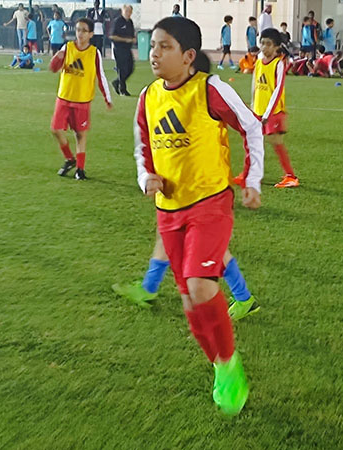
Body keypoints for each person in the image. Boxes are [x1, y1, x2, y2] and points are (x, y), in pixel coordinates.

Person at [133, 16, 264, 416]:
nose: (155, 53)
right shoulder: (148, 97)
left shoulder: (210, 89)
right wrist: (146, 177)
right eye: (154, 45)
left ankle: (229, 364)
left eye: (165, 46)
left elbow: (251, 126)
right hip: (168, 210)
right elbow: (142, 147)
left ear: (188, 56)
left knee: (200, 285)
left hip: (210, 202)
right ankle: (220, 365)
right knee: (189, 301)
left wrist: (252, 179)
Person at [112, 237, 260, 320]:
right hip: (195, 199)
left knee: (214, 249)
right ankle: (148, 288)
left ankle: (244, 299)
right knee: (167, 239)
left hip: (200, 200)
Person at [48, 18, 113, 180]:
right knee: (55, 129)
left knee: (80, 135)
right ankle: (70, 158)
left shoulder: (94, 53)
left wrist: (107, 98)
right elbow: (53, 68)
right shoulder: (67, 47)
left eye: (84, 30)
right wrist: (57, 58)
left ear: (91, 34)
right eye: (78, 30)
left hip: (82, 100)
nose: (80, 33)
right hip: (64, 97)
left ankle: (80, 169)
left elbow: (101, 76)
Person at [242, 28, 298, 188]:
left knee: (276, 142)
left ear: (276, 47)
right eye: (262, 43)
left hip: (273, 112)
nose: (264, 47)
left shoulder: (278, 64)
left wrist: (267, 113)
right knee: (252, 142)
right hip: (258, 111)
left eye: (268, 44)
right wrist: (253, 107)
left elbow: (278, 90)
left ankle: (291, 176)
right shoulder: (259, 62)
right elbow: (255, 86)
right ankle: (250, 174)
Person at [110, 5, 136, 96]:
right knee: (122, 69)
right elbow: (112, 36)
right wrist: (125, 40)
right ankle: (123, 89)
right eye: (127, 11)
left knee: (130, 68)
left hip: (127, 49)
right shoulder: (118, 21)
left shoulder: (130, 22)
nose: (128, 13)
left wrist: (133, 39)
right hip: (119, 49)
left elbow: (132, 34)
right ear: (122, 11)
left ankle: (117, 82)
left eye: (130, 11)